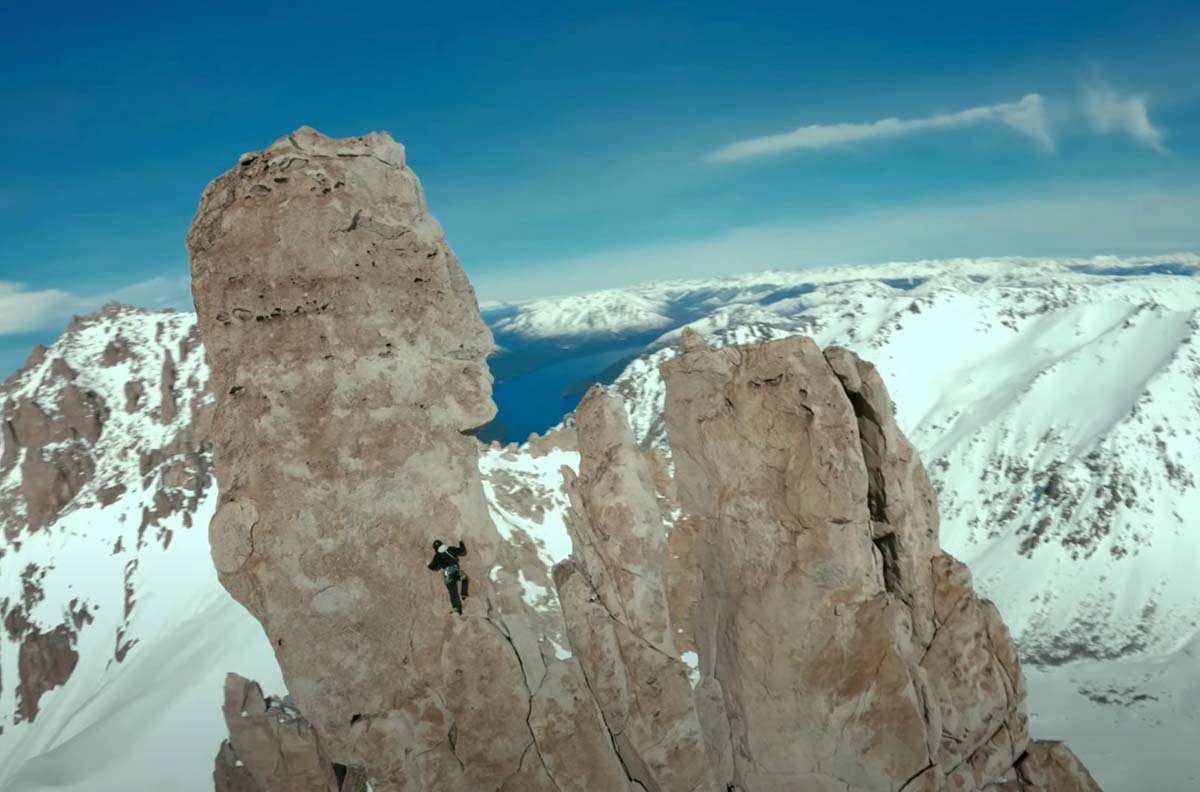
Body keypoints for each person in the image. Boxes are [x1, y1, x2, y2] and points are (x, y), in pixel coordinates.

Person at [428, 539, 470, 615]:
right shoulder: (450, 549)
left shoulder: (437, 556)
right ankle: (464, 594)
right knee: (464, 578)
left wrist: (432, 564)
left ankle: (456, 609)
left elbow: (432, 567)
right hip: (455, 571)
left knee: (452, 592)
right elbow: (462, 550)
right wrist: (461, 542)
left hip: (447, 574)